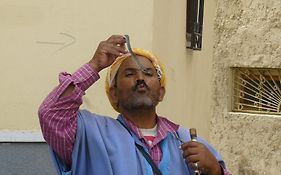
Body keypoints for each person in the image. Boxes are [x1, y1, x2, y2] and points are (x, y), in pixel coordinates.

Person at [38, 35, 229, 175]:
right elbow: (51, 114)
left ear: (161, 92)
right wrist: (94, 65)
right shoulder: (89, 134)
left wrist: (215, 170)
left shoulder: (187, 141)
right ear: (113, 94)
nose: (140, 78)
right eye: (129, 74)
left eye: (148, 73)